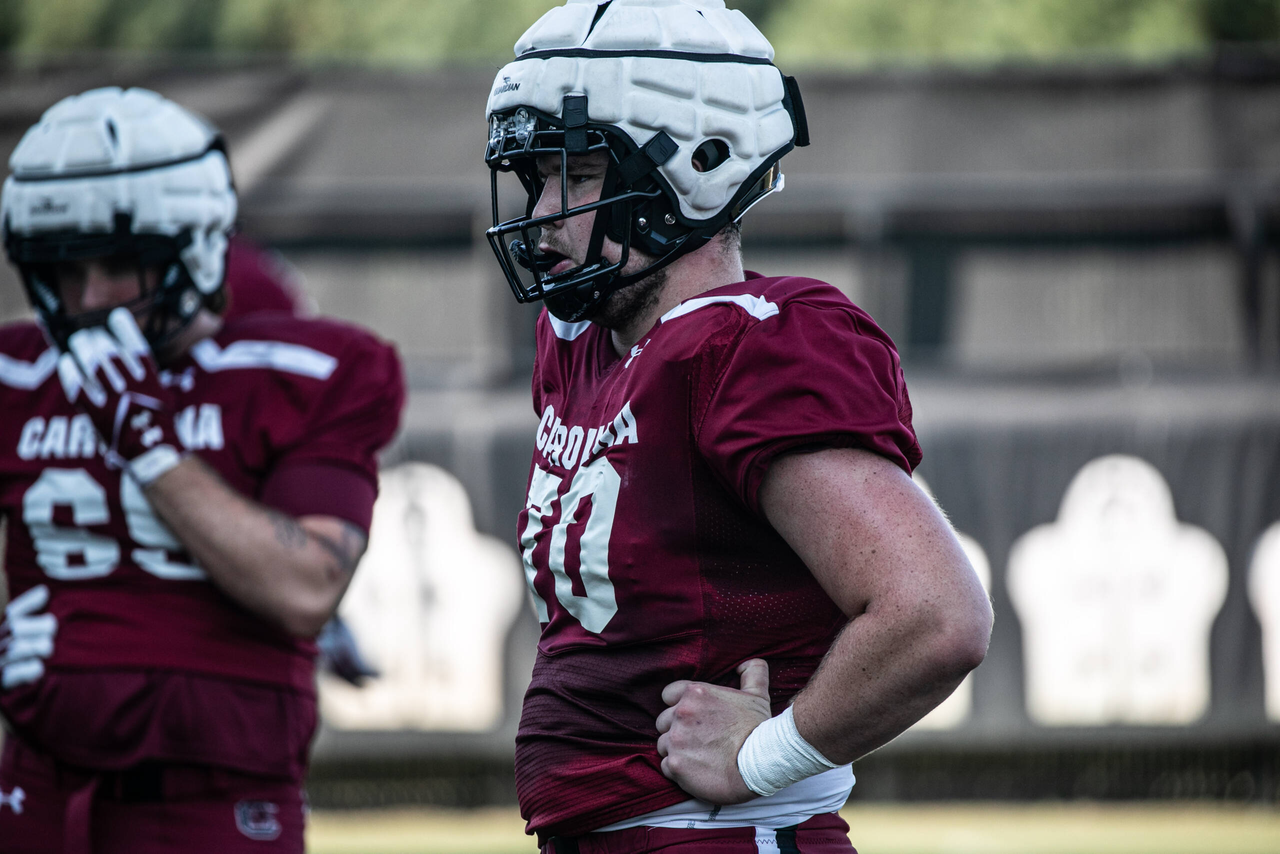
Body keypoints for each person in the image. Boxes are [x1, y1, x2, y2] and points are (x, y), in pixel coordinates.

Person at [484, 1, 993, 851]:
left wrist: (766, 755)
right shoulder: (581, 344)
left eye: (578, 174)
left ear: (698, 166)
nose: (546, 210)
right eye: (537, 178)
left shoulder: (748, 346)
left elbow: (936, 616)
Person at [0, 87, 404, 853]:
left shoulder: (305, 367)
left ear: (192, 249)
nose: (89, 298)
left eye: (119, 265)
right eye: (63, 267)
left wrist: (150, 446)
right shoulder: (18, 373)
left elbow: (303, 588)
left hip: (217, 796)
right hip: (37, 787)